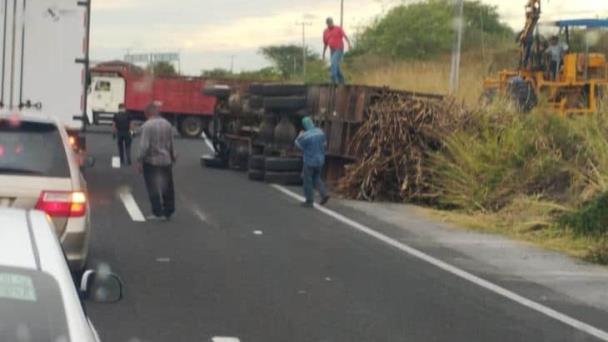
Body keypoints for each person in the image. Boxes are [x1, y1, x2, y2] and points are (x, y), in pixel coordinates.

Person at [138, 103, 176, 221]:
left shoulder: (147, 126)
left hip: (152, 161)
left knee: (153, 187)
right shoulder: (167, 124)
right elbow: (171, 143)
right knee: (168, 186)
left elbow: (144, 146)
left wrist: (140, 160)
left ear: (147, 113)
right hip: (166, 160)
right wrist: (173, 156)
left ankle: (157, 212)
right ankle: (168, 210)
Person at [295, 117, 330, 208]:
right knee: (316, 178)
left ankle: (309, 201)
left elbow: (298, 144)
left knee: (307, 180)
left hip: (309, 161)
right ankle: (324, 193)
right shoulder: (320, 132)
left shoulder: (305, 135)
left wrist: (299, 135)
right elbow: (325, 144)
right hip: (320, 160)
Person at [323, 17, 351, 85]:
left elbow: (345, 36)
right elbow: (325, 43)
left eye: (331, 22)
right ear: (327, 24)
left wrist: (349, 44)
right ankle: (342, 80)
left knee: (333, 62)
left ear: (333, 22)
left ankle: (333, 79)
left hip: (339, 49)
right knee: (336, 66)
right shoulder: (325, 32)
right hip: (332, 50)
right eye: (329, 23)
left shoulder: (338, 28)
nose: (330, 24)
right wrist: (323, 53)